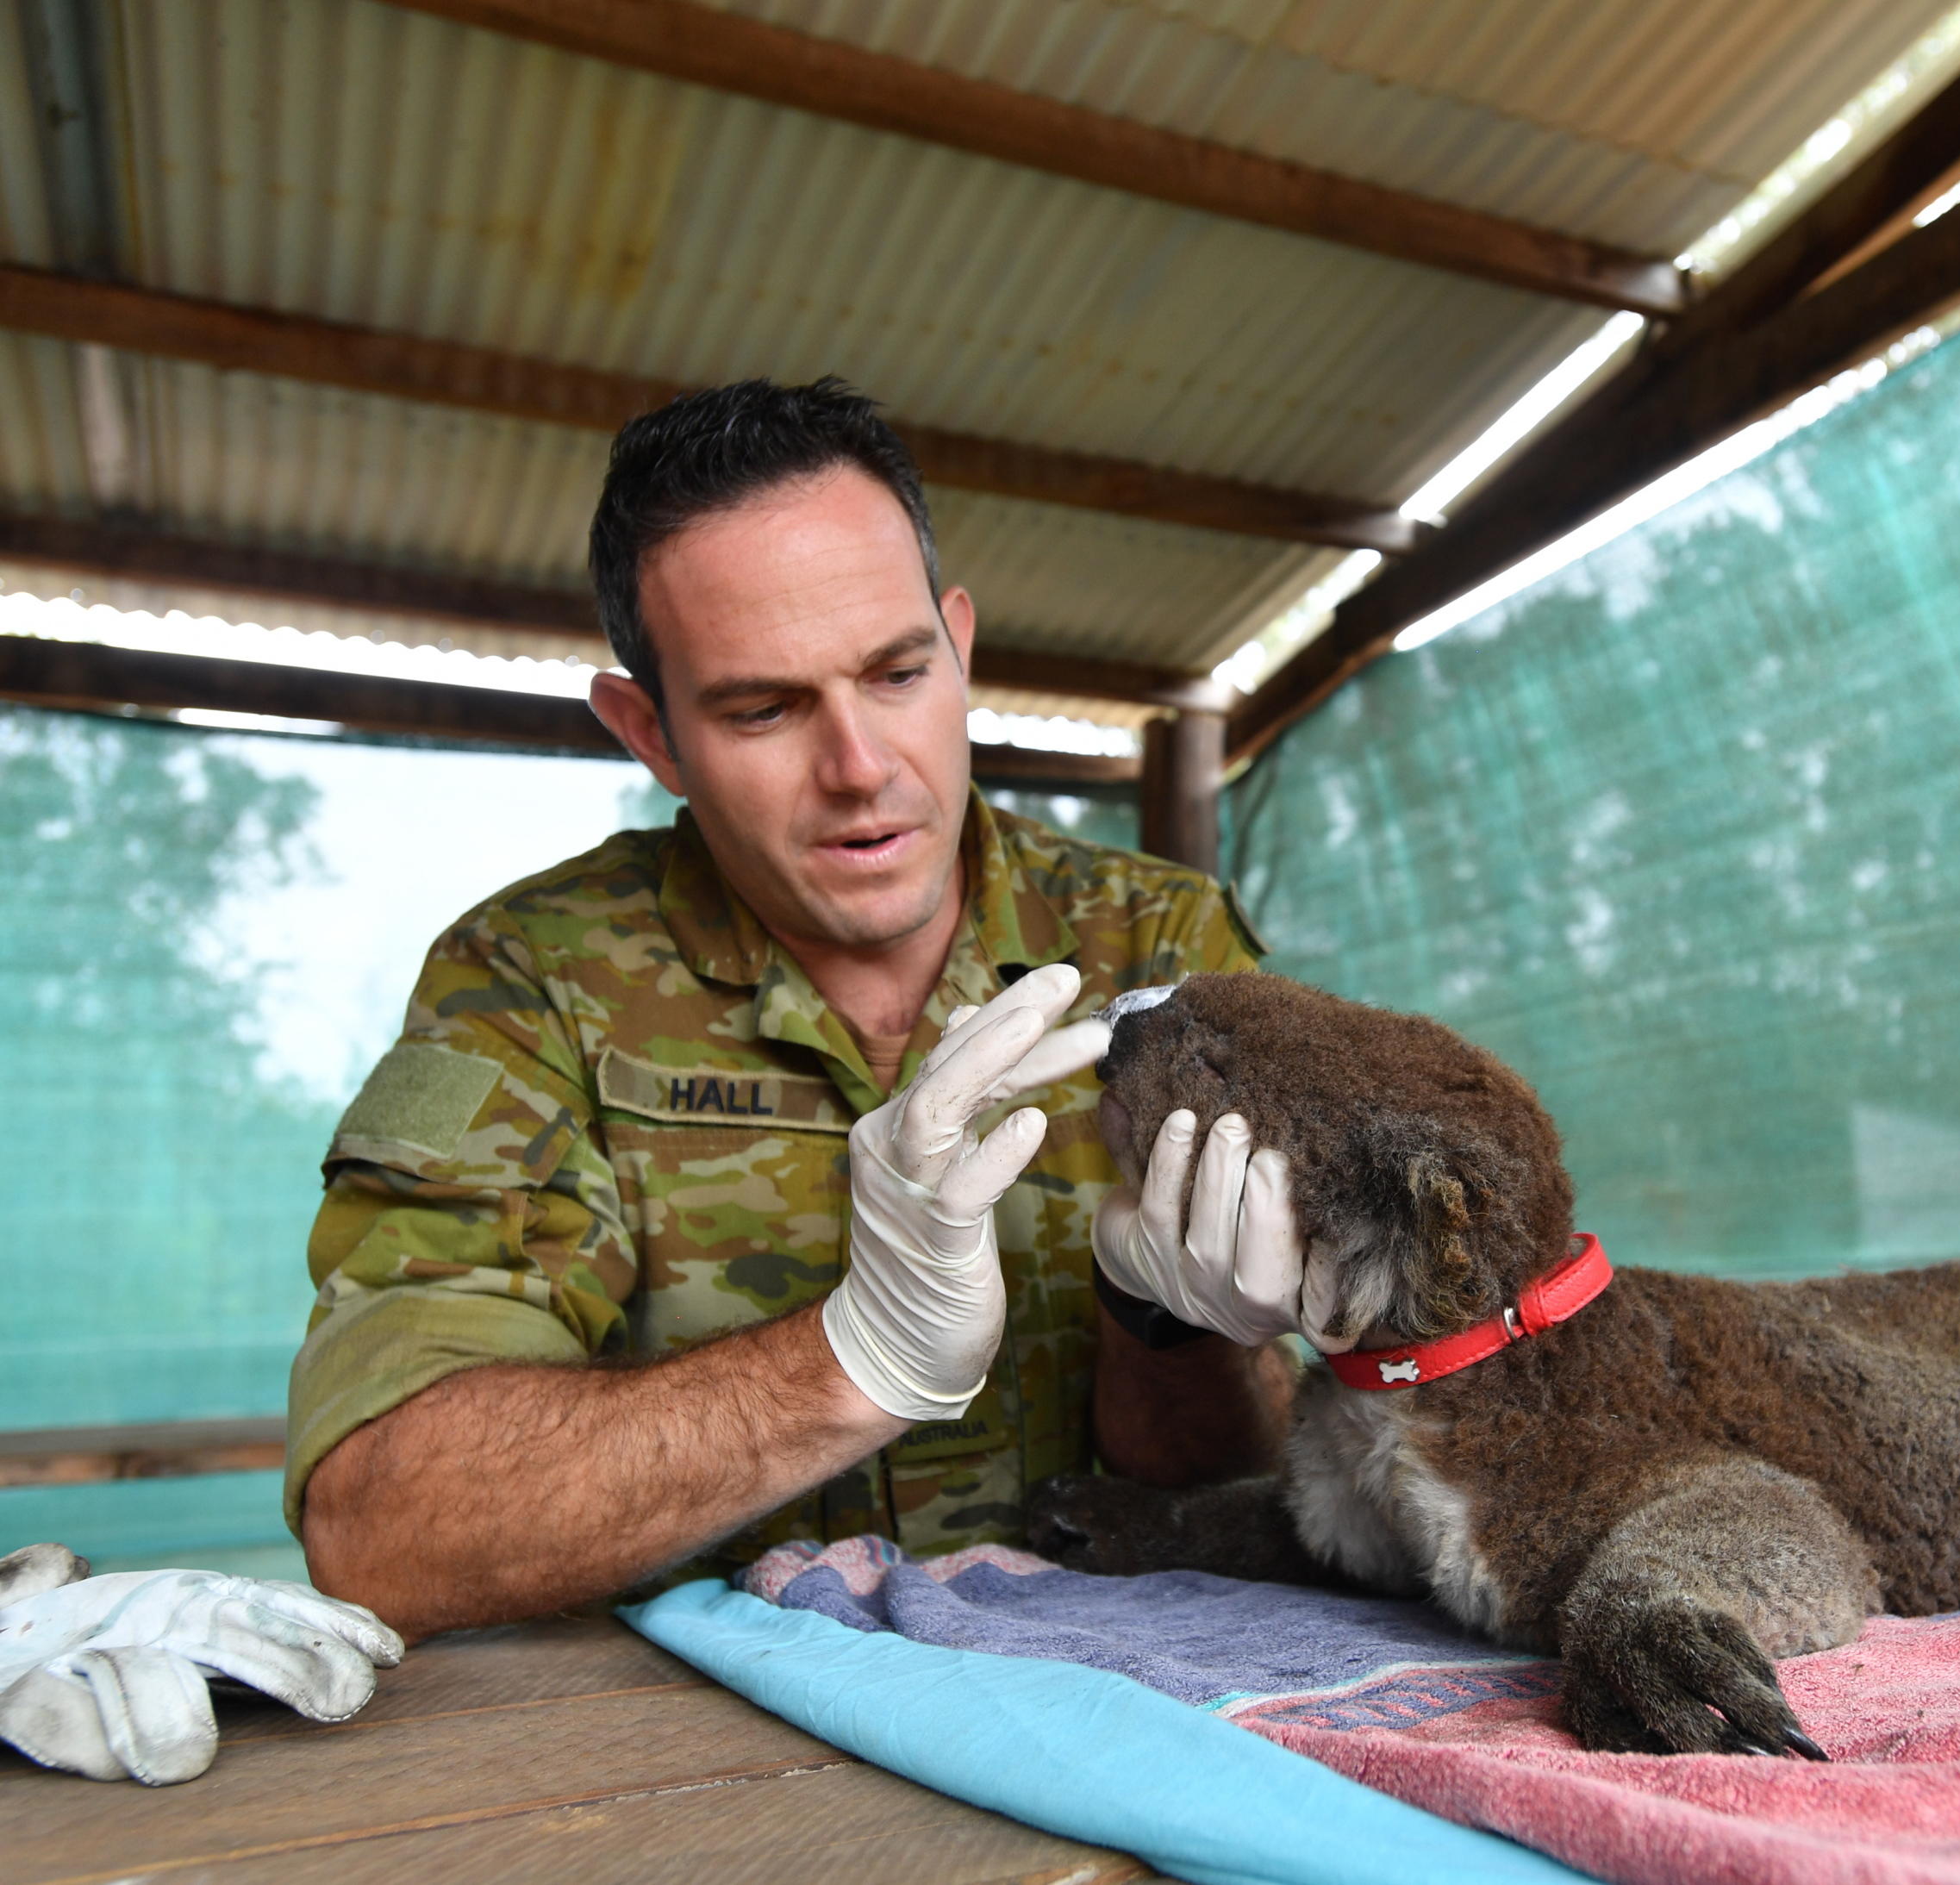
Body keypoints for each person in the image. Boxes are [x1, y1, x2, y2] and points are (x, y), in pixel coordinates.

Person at [290, 378, 1323, 1640]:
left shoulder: (1160, 945)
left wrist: (1163, 1323)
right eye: (763, 708)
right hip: (708, 1765)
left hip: (1121, 1700)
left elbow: (1252, 1486)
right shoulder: (534, 982)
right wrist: (851, 1360)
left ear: (958, 644)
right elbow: (381, 1526)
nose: (861, 769)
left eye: (896, 673)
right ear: (651, 733)